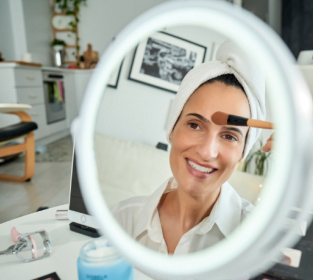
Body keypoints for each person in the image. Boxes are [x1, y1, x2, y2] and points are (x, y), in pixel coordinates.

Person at [111, 41, 273, 255]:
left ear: (243, 152)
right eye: (195, 125)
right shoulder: (121, 220)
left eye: (229, 136)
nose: (207, 152)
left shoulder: (262, 239)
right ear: (172, 128)